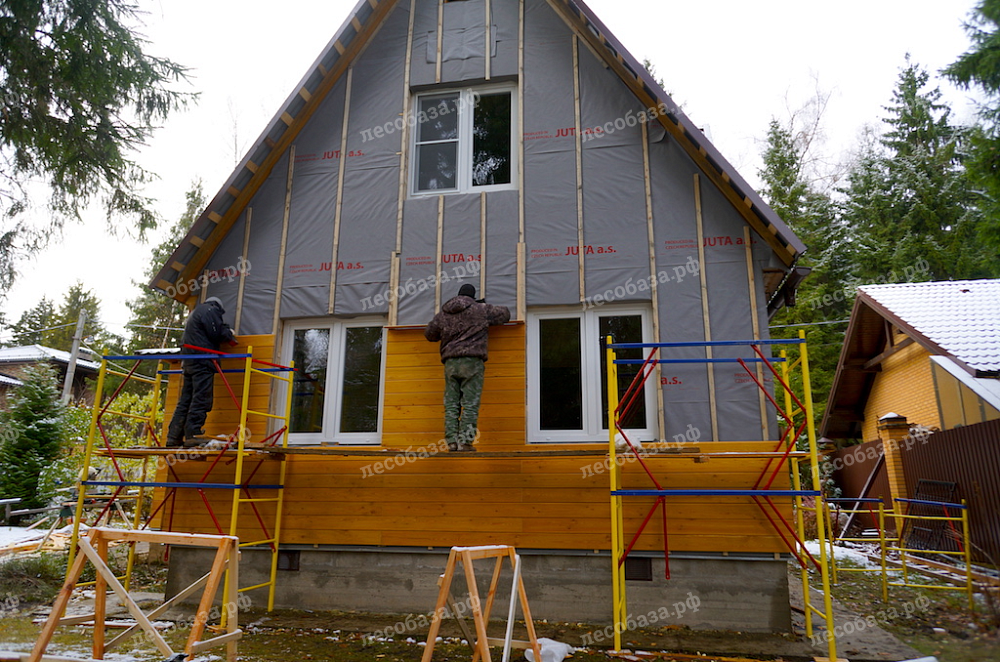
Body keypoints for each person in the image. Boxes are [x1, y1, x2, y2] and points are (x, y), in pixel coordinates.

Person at [425, 284, 510, 452]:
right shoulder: (481, 310)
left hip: (450, 363)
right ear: (473, 297)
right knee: (470, 403)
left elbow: (429, 334)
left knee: (451, 403)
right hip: (472, 362)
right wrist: (481, 305)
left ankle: (451, 441)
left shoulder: (443, 314)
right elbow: (505, 314)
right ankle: (465, 442)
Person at [166, 297, 237, 448]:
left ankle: (173, 437)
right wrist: (229, 333)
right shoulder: (210, 310)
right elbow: (216, 333)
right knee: (201, 398)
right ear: (218, 307)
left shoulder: (196, 312)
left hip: (189, 361)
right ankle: (193, 434)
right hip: (202, 361)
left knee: (186, 400)